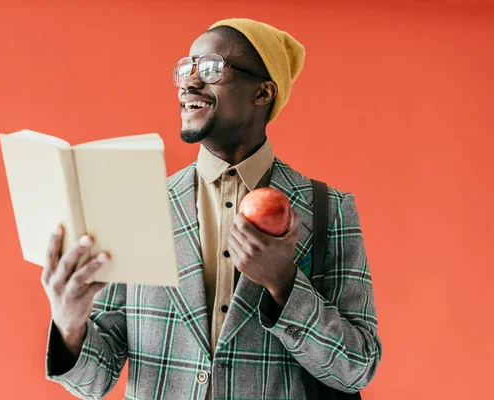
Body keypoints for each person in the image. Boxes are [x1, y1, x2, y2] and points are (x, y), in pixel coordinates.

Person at [40, 18, 382, 400]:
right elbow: (95, 381)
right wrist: (69, 323)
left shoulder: (329, 210)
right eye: (185, 69)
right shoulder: (141, 205)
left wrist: (285, 284)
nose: (189, 82)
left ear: (263, 92)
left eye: (210, 68)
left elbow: (358, 367)